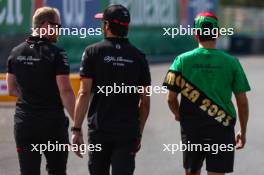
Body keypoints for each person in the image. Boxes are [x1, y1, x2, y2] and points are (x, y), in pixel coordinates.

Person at [163, 12, 250, 175]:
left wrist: (179, 115)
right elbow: (242, 102)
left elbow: (170, 98)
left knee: (191, 172)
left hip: (192, 128)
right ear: (217, 33)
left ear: (196, 34)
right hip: (222, 128)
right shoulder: (232, 62)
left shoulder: (181, 60)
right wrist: (243, 131)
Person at [71, 4, 151, 175]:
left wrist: (76, 129)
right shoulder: (139, 57)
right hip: (127, 131)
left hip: (100, 130)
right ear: (126, 26)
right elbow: (145, 102)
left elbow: (84, 93)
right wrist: (138, 134)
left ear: (106, 25)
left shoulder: (92, 52)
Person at [6, 7, 75, 175]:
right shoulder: (57, 54)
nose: (59, 31)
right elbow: (65, 91)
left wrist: (32, 95)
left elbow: (11, 89)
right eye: (57, 26)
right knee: (57, 171)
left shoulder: (15, 52)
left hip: (25, 124)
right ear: (45, 25)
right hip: (52, 124)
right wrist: (77, 124)